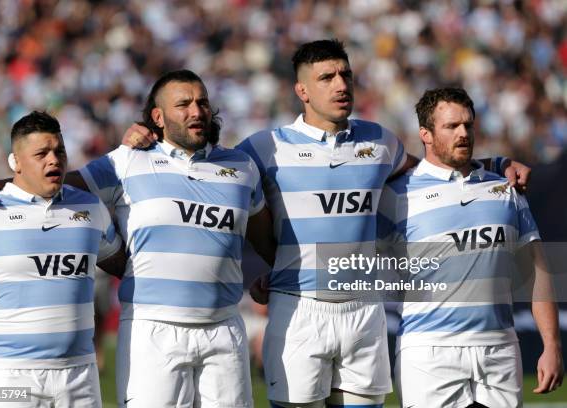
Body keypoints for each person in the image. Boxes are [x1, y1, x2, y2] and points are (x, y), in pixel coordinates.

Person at [118, 40, 532, 408]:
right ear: (302, 91)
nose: (341, 85)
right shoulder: (264, 148)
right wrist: (148, 137)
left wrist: (494, 165)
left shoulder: (380, 141)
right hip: (299, 309)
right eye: (327, 77)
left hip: (363, 310)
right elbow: (202, 169)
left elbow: (434, 168)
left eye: (346, 75)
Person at [0, 70, 276, 407]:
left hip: (223, 328)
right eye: (183, 104)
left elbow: (264, 238)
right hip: (147, 331)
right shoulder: (126, 161)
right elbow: (51, 183)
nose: (196, 111)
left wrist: (279, 277)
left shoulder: (242, 167)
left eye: (202, 102)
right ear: (158, 116)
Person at [377, 87, 564, 407]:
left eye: (468, 125)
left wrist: (551, 345)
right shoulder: (397, 195)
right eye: (451, 126)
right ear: (426, 134)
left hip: (500, 349)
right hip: (428, 351)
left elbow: (536, 272)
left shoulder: (505, 189)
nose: (463, 133)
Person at [0, 111, 126, 407]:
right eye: (41, 153)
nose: (54, 159)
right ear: (16, 162)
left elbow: (126, 266)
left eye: (59, 150)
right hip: (8, 376)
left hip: (80, 375)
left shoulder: (90, 207)